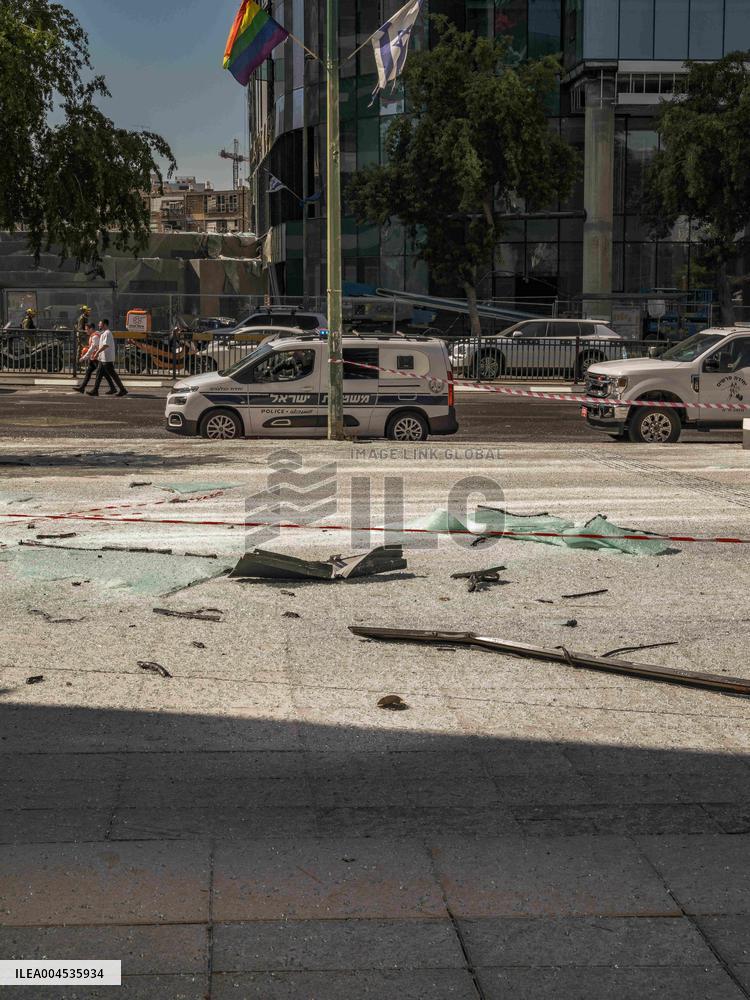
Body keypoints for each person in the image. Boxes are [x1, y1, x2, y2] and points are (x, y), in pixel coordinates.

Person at [87, 319, 128, 397]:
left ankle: (122, 390)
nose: (99, 325)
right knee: (99, 374)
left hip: (107, 359)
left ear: (105, 324)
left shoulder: (107, 333)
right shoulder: (104, 333)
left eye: (100, 324)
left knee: (113, 375)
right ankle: (95, 390)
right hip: (103, 358)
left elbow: (106, 345)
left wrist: (97, 352)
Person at [74, 323, 100, 393]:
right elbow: (93, 348)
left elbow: (92, 348)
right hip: (93, 358)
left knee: (104, 374)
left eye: (87, 329)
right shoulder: (93, 336)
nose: (86, 331)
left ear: (91, 329)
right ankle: (82, 388)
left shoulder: (95, 337)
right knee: (88, 373)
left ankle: (114, 388)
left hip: (97, 358)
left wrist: (83, 358)